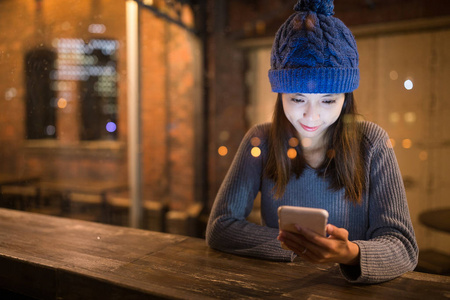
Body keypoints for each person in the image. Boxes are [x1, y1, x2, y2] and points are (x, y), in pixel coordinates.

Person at [205, 0, 418, 284]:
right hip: (282, 285)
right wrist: (298, 248)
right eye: (297, 99)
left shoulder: (371, 142)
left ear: (345, 100)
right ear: (280, 97)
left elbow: (403, 246)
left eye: (328, 100)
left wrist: (350, 254)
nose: (311, 115)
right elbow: (221, 226)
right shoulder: (263, 140)